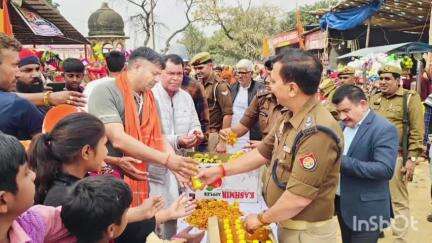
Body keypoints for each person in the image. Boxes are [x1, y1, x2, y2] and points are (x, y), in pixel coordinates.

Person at [198, 48, 343, 243]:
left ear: (292, 89)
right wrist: (221, 170)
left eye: (273, 81)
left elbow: (298, 197)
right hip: (288, 224)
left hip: (307, 234)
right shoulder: (289, 116)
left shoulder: (316, 131)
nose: (269, 86)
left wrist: (260, 219)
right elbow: (261, 153)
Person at [88, 47, 198, 242]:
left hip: (140, 178)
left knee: (138, 230)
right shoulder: (105, 92)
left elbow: (159, 136)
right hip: (109, 181)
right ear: (137, 66)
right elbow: (118, 138)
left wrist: (175, 165)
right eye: (155, 73)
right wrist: (166, 160)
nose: (157, 79)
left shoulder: (148, 98)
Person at [332, 85, 398, 243]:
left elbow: (385, 169)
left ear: (362, 104)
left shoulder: (383, 128)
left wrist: (340, 161)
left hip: (367, 210)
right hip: (344, 204)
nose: (342, 117)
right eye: (339, 112)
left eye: (346, 111)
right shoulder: (342, 126)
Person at [369, 64, 424, 243]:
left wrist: (412, 159)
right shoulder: (374, 98)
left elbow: (417, 131)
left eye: (387, 79)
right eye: (381, 79)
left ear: (397, 80)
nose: (383, 82)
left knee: (398, 200)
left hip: (396, 157)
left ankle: (400, 239)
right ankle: (376, 229)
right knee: (374, 195)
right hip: (373, 157)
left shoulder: (410, 98)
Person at [151, 54, 203, 239]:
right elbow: (152, 136)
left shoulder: (186, 97)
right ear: (160, 73)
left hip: (183, 164)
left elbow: (195, 123)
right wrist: (178, 140)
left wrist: (196, 134)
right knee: (159, 215)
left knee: (178, 212)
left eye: (179, 73)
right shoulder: (151, 96)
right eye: (171, 73)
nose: (176, 78)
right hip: (158, 169)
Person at [0, 33, 44, 140]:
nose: (18, 74)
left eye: (37, 69)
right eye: (15, 65)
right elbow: (43, 152)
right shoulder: (19, 105)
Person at [216, 59, 264, 153]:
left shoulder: (260, 89)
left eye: (244, 73)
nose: (240, 76)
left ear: (251, 73)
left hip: (251, 132)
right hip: (233, 133)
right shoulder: (232, 87)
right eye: (238, 73)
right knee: (232, 157)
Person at [190, 52, 233, 152]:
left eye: (200, 68)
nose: (197, 71)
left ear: (210, 66)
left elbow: (228, 115)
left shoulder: (220, 86)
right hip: (199, 135)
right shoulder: (198, 84)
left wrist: (223, 142)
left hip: (213, 136)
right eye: (195, 69)